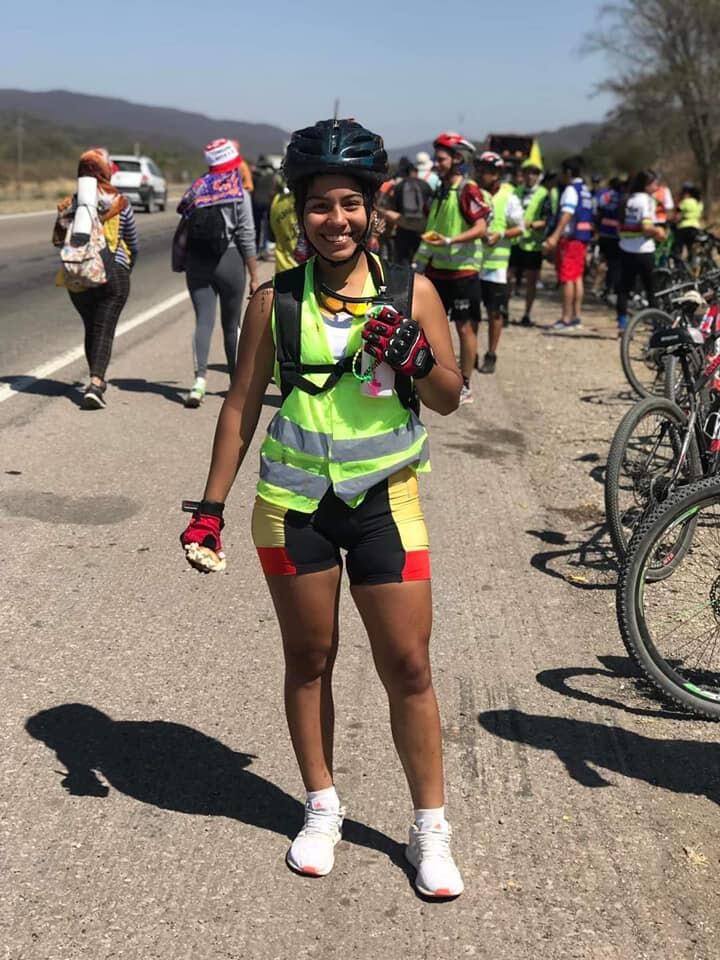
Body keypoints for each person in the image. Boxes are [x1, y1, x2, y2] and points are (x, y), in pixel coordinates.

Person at [180, 118, 465, 899]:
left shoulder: (415, 290)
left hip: (384, 506)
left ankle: (429, 828)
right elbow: (239, 406)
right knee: (309, 660)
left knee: (407, 666)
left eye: (350, 204)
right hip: (291, 507)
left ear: (375, 209)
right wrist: (209, 506)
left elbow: (449, 398)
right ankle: (322, 806)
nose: (334, 220)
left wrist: (417, 355)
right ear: (296, 212)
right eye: (318, 206)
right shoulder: (275, 300)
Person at [52, 148, 138, 410]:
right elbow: (132, 240)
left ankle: (94, 378)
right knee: (104, 327)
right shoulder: (120, 202)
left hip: (78, 276)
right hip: (113, 271)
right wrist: (126, 265)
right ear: (105, 170)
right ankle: (97, 383)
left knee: (92, 326)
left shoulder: (68, 204)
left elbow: (58, 241)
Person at [175, 139, 259, 407]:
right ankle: (236, 384)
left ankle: (198, 383)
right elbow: (247, 233)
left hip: (198, 262)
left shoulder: (197, 188)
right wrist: (254, 273)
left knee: (203, 322)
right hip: (230, 259)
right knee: (231, 326)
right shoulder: (238, 192)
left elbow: (184, 223)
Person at [414, 132, 491, 404]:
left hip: (463, 272)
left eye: (442, 157)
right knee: (429, 329)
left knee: (465, 329)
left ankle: (466, 383)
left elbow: (481, 228)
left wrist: (451, 240)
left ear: (458, 159)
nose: (437, 162)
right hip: (436, 271)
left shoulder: (468, 189)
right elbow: (429, 228)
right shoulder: (440, 189)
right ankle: (431, 379)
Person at [474, 151, 525, 371]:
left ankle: (491, 353)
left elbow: (520, 228)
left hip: (497, 267)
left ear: (496, 173)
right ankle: (471, 352)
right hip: (473, 262)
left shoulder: (509, 197)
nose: (482, 174)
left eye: (487, 171)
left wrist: (500, 235)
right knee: (471, 313)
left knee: (495, 311)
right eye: (481, 169)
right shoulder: (473, 193)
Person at [543, 156, 594, 331]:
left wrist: (555, 236)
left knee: (567, 278)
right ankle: (576, 316)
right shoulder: (585, 190)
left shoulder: (571, 190)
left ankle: (566, 318)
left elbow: (567, 213)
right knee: (577, 277)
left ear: (568, 173)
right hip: (582, 238)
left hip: (571, 240)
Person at [616, 169, 666, 334]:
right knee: (651, 289)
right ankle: (656, 325)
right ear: (646, 185)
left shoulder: (627, 198)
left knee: (624, 288)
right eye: (654, 183)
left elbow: (620, 226)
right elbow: (646, 227)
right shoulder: (647, 200)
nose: (657, 186)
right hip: (643, 250)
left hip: (625, 249)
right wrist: (659, 233)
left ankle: (622, 323)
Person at [509, 159, 548, 326]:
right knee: (508, 277)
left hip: (533, 244)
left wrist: (531, 225)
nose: (531, 176)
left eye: (534, 173)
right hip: (515, 242)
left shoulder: (544, 194)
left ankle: (527, 314)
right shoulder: (515, 191)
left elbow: (547, 220)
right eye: (528, 172)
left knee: (531, 281)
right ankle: (504, 311)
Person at [379, 158, 434, 266]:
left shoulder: (399, 186)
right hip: (422, 228)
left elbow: (394, 207)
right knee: (420, 261)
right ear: (415, 172)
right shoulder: (425, 185)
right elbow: (431, 206)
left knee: (402, 261)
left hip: (403, 227)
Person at [594, 176, 623, 303]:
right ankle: (610, 289)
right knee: (615, 264)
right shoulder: (623, 197)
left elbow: (598, 212)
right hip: (616, 235)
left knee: (602, 260)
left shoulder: (604, 195)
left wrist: (596, 229)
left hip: (604, 233)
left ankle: (597, 286)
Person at [268, 175, 305, 273]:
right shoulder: (309, 200)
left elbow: (272, 235)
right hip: (310, 272)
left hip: (283, 269)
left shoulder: (276, 201)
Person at [251, 155, 277, 258]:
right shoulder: (272, 175)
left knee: (257, 227)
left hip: (256, 203)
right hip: (268, 203)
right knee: (266, 226)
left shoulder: (255, 176)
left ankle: (256, 248)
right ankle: (264, 248)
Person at [674, 183, 704, 259]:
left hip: (684, 227)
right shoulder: (699, 203)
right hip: (695, 227)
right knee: (691, 250)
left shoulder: (686, 202)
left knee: (678, 250)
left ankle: (678, 267)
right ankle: (692, 267)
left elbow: (677, 214)